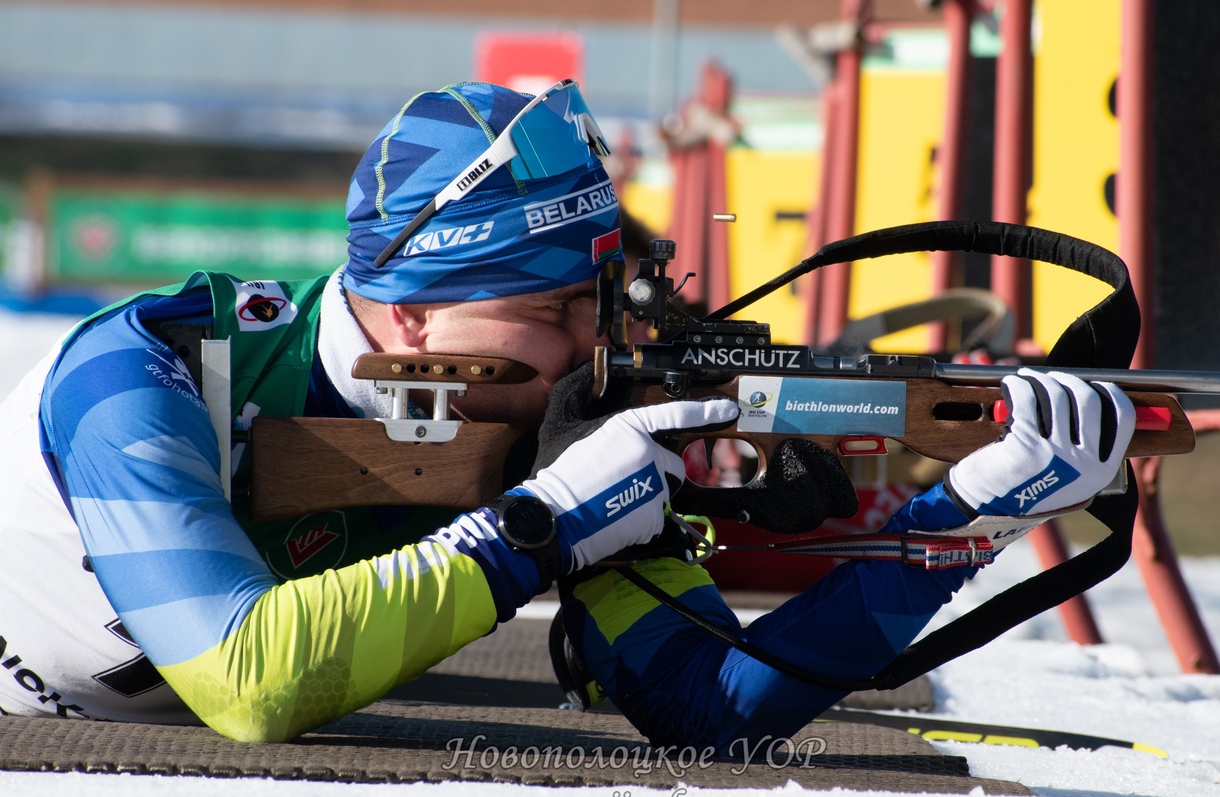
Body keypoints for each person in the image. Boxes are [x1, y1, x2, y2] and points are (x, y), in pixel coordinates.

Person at [0, 80, 1134, 752]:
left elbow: (714, 708)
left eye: (595, 304)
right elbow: (248, 683)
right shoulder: (141, 373)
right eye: (549, 308)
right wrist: (534, 527)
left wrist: (957, 521)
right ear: (407, 319)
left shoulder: (544, 418)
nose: (588, 346)